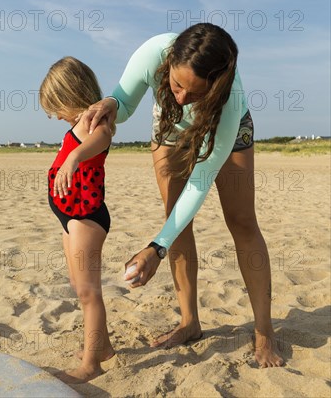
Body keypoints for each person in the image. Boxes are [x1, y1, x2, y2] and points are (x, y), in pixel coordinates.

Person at [82, 23, 284, 368]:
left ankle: (264, 331)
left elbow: (201, 180)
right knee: (176, 219)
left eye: (194, 94)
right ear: (169, 63)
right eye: (176, 85)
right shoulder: (154, 52)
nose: (180, 98)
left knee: (241, 220)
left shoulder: (229, 100)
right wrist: (109, 103)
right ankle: (189, 322)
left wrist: (155, 248)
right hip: (170, 131)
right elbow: (125, 103)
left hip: (227, 132)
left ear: (215, 88)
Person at [39, 56, 115, 384]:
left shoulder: (94, 120)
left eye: (56, 107)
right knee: (77, 286)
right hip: (70, 218)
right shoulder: (79, 122)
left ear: (70, 95)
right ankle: (105, 349)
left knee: (88, 292)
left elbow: (104, 137)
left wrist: (74, 156)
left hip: (86, 217)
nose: (56, 116)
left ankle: (90, 366)